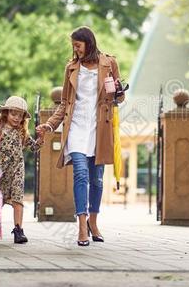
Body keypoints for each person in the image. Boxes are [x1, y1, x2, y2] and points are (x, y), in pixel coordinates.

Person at [36, 26, 125, 246]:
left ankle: (93, 223)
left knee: (96, 179)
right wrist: (49, 125)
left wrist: (119, 92)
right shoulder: (71, 68)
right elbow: (65, 103)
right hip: (76, 127)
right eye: (73, 46)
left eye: (78, 45)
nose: (75, 49)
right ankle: (81, 228)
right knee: (81, 174)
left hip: (99, 128)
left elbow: (118, 99)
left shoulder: (109, 63)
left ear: (89, 43)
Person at [0, 96, 42, 243]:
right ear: (6, 113)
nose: (16, 118)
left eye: (20, 115)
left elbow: (35, 147)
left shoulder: (22, 133)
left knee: (18, 200)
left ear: (23, 118)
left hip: (17, 171)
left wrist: (41, 138)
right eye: (13, 114)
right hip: (1, 172)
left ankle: (18, 230)